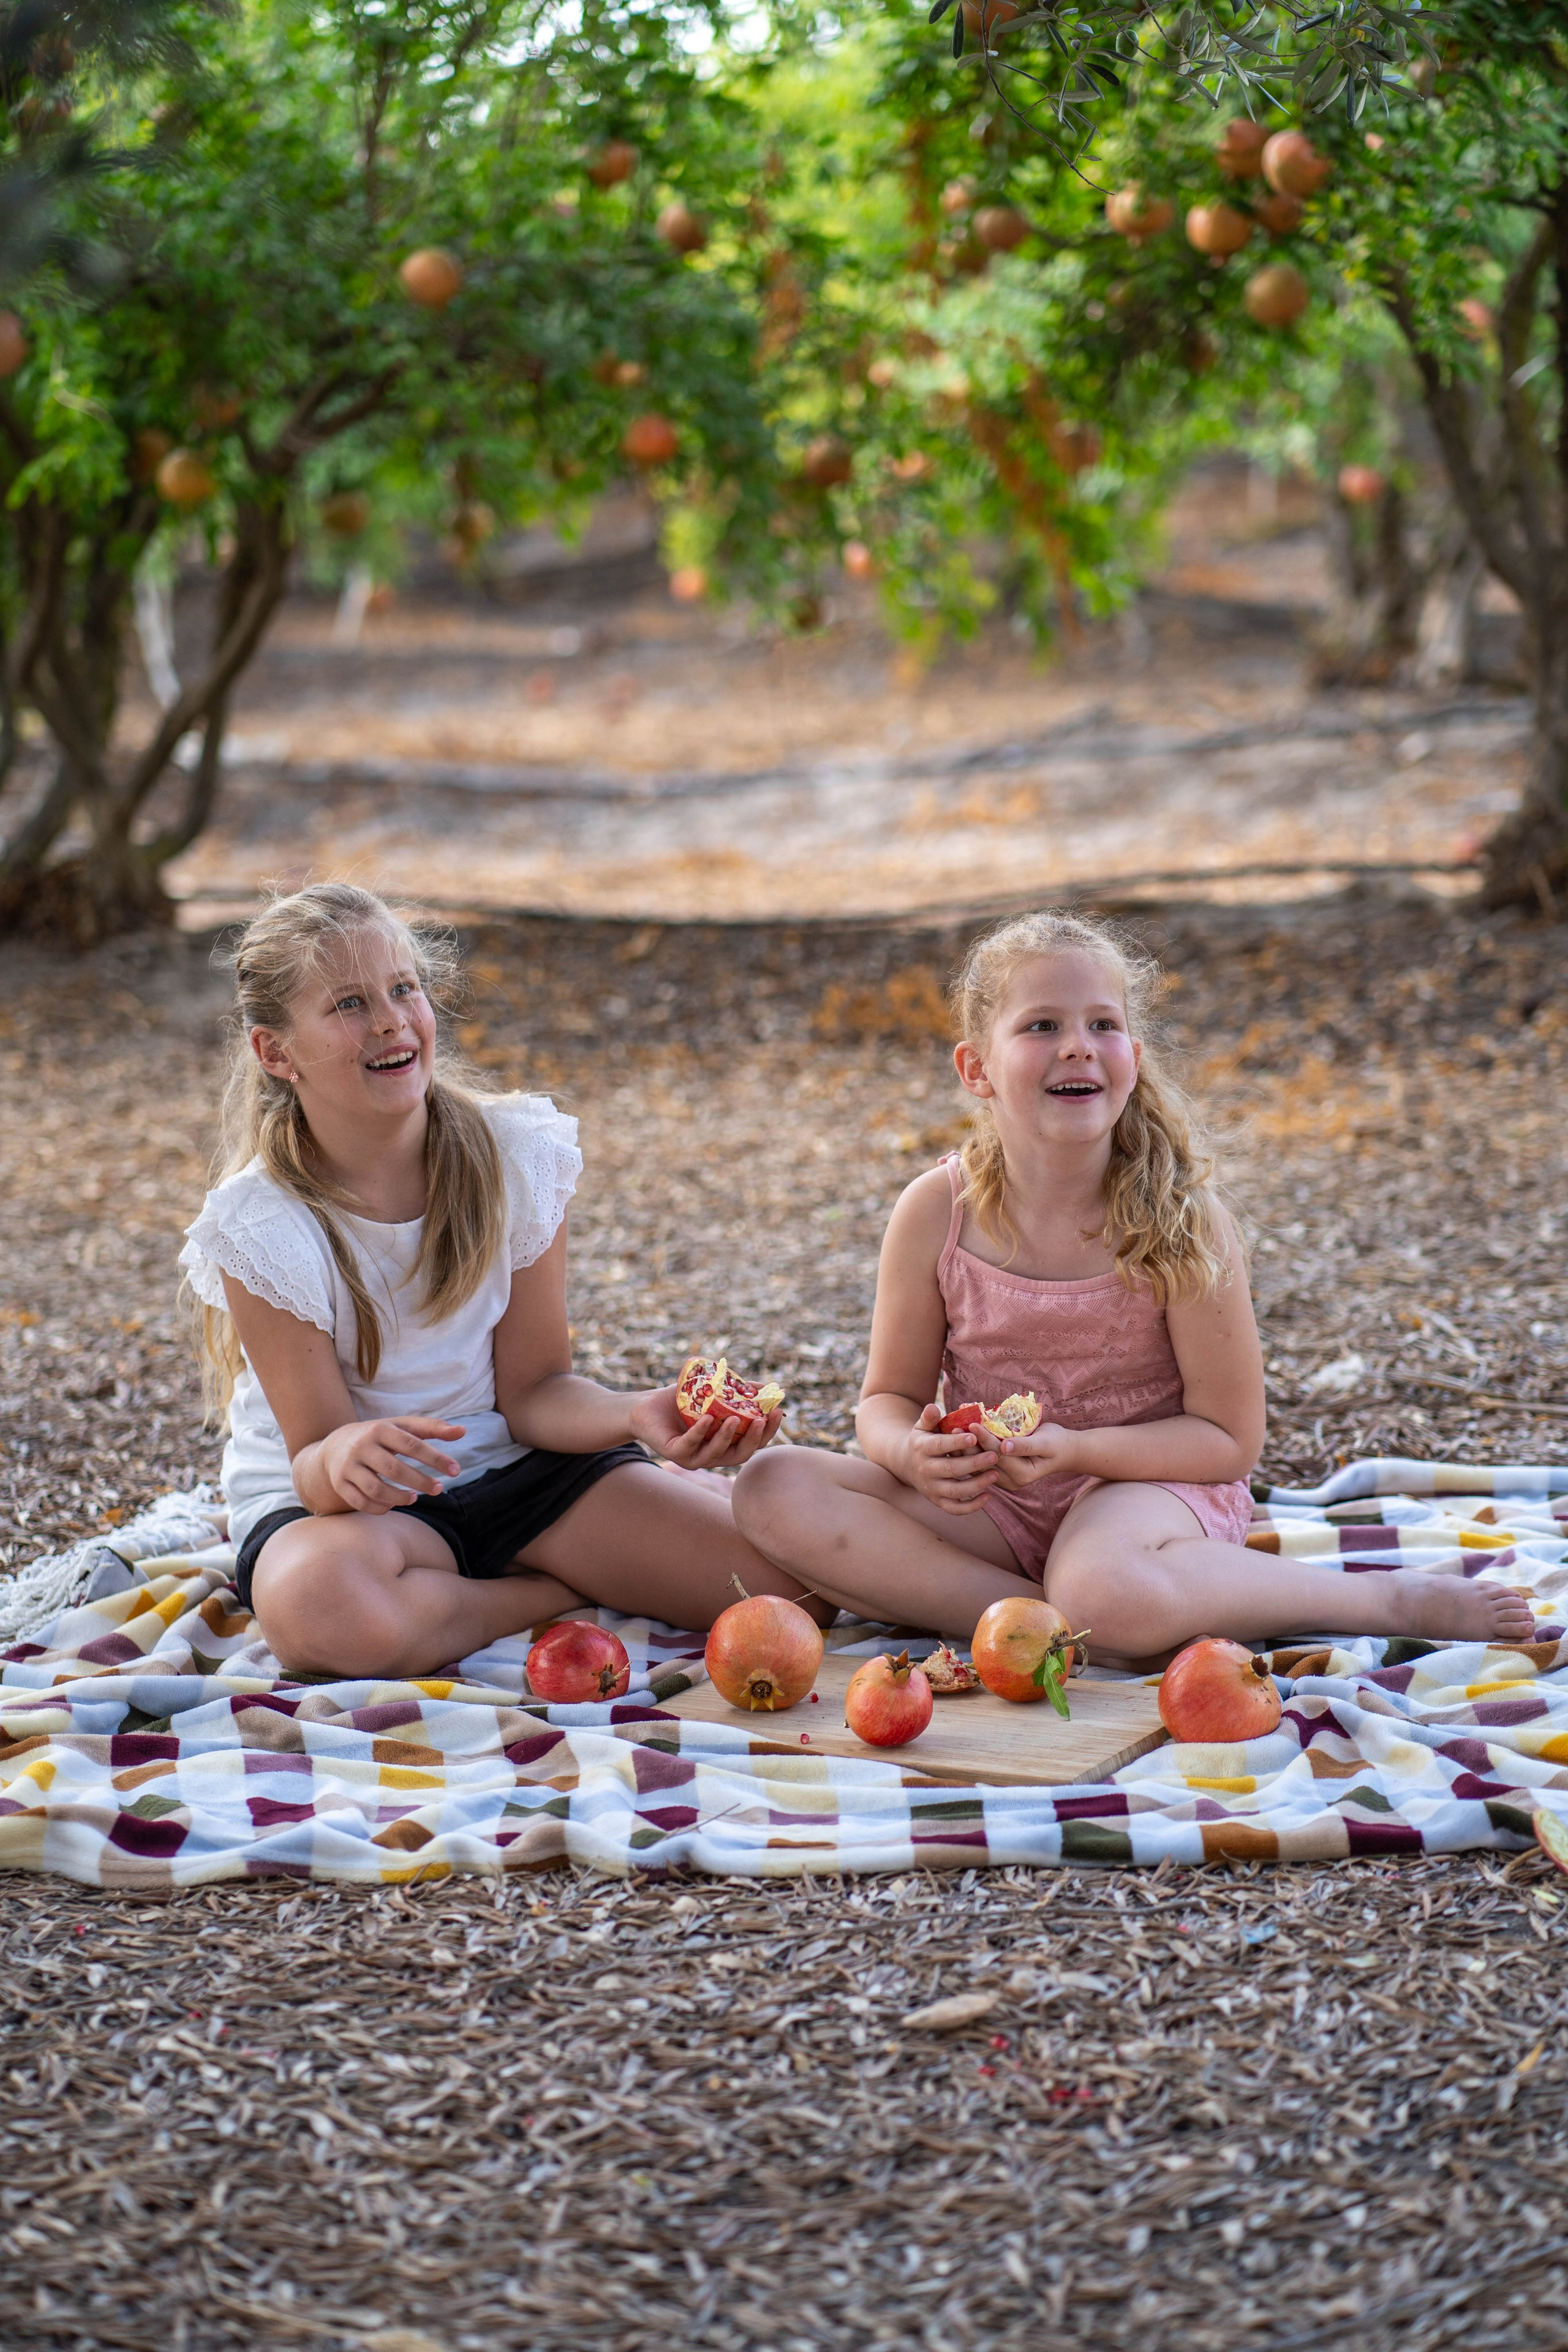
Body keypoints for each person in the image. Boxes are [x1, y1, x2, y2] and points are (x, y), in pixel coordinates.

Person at [733, 908, 1535, 1664]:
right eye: (1042, 1024)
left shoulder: (1181, 1219)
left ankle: (1383, 1604)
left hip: (1149, 1495)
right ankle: (1046, 1625)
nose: (1078, 1046)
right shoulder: (935, 1213)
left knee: (1101, 1583)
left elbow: (1228, 1441)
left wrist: (1077, 1452)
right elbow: (884, 1403)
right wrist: (913, 1452)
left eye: (1103, 1025)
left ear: (1134, 1059)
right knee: (774, 1486)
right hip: (996, 1504)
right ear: (976, 1069)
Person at [181, 882, 819, 1679]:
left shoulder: (512, 1157)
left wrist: (638, 1415)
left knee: (786, 1591)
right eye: (348, 1003)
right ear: (275, 1053)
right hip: (352, 1521)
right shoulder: (262, 1224)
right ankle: (545, 1594)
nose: (389, 1019)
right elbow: (313, 1462)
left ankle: (481, 1587)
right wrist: (347, 1454)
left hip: (516, 1477)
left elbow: (536, 1392)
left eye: (403, 988)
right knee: (320, 1609)